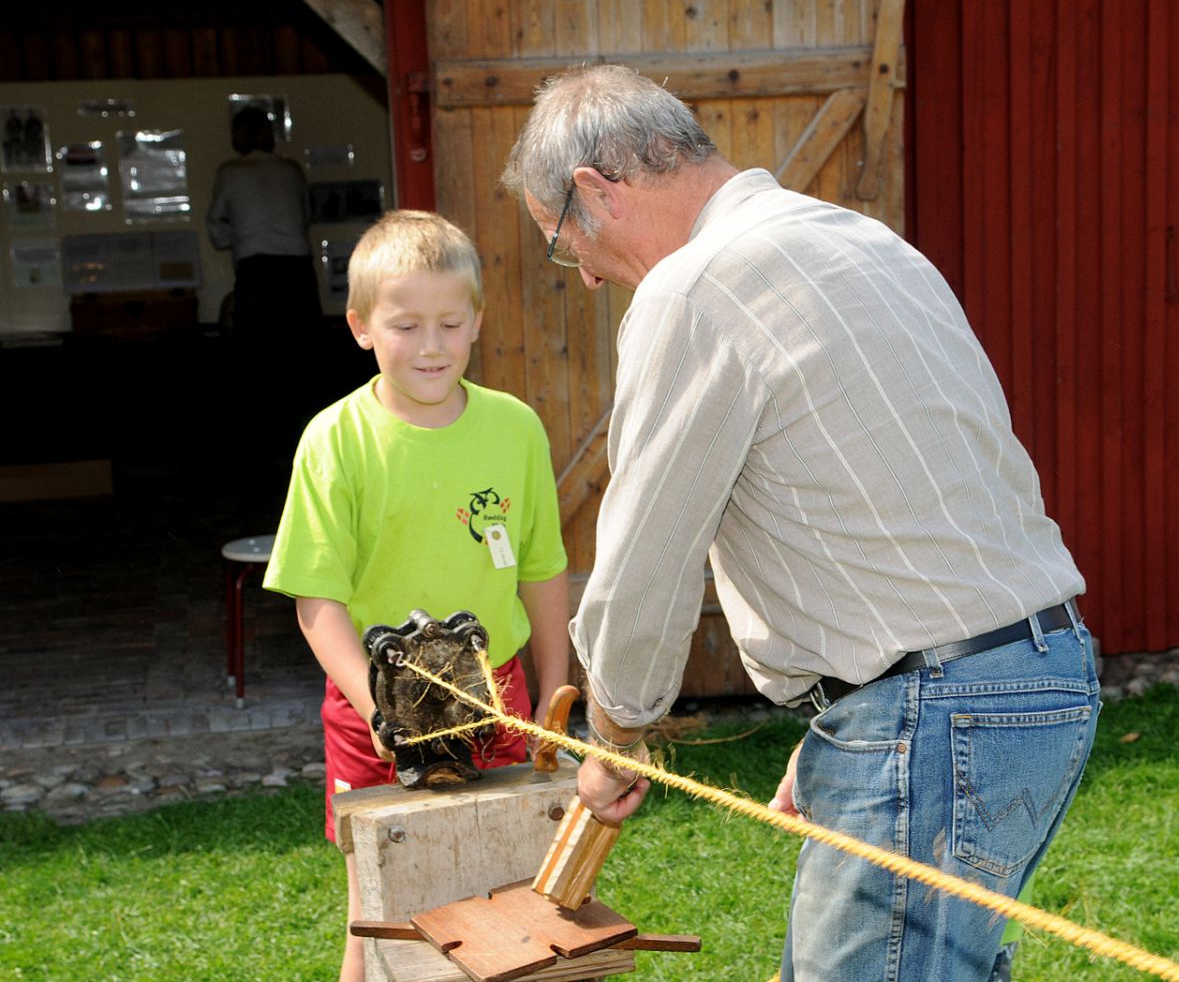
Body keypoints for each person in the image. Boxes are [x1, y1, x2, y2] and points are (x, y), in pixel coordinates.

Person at [500, 64, 1098, 982]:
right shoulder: (861, 241)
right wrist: (856, 718)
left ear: (597, 190)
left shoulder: (694, 288)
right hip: (1029, 676)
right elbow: (898, 492)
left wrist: (614, 738)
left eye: (561, 242)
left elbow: (643, 561)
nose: (581, 274)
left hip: (938, 704)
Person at [262, 210, 571, 982]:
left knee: (512, 890)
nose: (431, 346)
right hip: (373, 706)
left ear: (477, 322)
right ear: (361, 327)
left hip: (496, 696)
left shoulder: (515, 429)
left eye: (449, 324)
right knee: (380, 904)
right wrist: (382, 711)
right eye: (405, 326)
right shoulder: (334, 440)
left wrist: (553, 693)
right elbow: (316, 603)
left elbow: (541, 569)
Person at [207, 106, 323, 472]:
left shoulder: (230, 171)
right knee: (302, 359)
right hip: (297, 271)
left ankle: (262, 450)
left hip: (257, 271)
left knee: (257, 361)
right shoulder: (291, 170)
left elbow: (215, 229)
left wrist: (241, 236)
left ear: (236, 136)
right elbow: (305, 217)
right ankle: (305, 442)